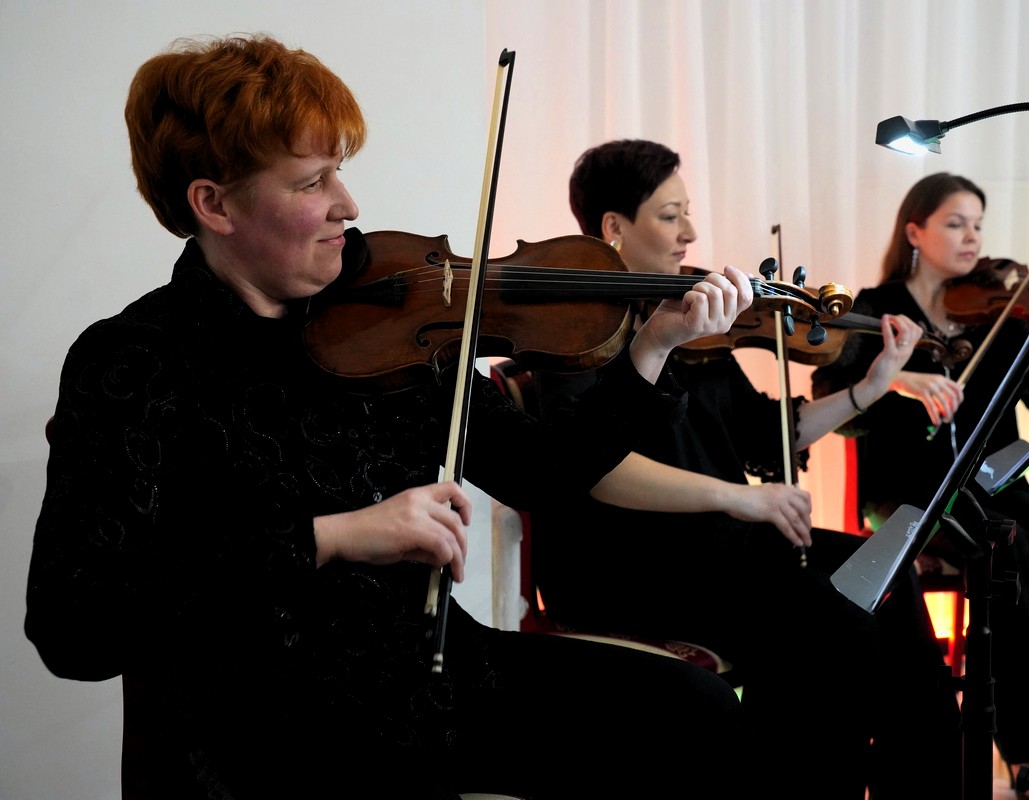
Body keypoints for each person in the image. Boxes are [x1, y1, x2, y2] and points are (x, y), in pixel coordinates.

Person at [21, 36, 789, 800]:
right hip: (257, 730)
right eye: (312, 181)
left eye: (340, 171)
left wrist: (651, 347)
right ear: (213, 203)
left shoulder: (389, 323)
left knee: (696, 714)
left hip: (427, 680)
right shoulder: (135, 361)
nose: (348, 206)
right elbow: (74, 625)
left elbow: (543, 475)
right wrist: (335, 536)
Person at [521, 138, 964, 799]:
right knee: (833, 626)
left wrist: (869, 389)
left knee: (887, 580)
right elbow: (597, 469)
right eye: (670, 215)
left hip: (723, 547)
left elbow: (769, 434)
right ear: (614, 226)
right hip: (634, 565)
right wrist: (740, 498)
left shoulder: (693, 317)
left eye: (686, 213)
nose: (690, 233)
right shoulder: (570, 335)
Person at [810, 171, 1029, 792]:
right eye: (954, 223)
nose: (971, 237)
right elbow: (833, 399)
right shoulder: (876, 307)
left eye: (977, 224)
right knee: (1007, 550)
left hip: (994, 484)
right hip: (910, 492)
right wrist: (896, 378)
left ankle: (1016, 694)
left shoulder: (1001, 307)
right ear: (915, 232)